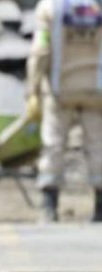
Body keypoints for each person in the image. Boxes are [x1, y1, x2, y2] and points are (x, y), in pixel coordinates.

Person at [25, 0, 102, 223]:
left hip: (60, 90)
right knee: (97, 146)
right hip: (95, 90)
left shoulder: (50, 8)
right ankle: (99, 206)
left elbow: (40, 50)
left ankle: (49, 206)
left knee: (53, 143)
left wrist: (32, 89)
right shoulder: (97, 8)